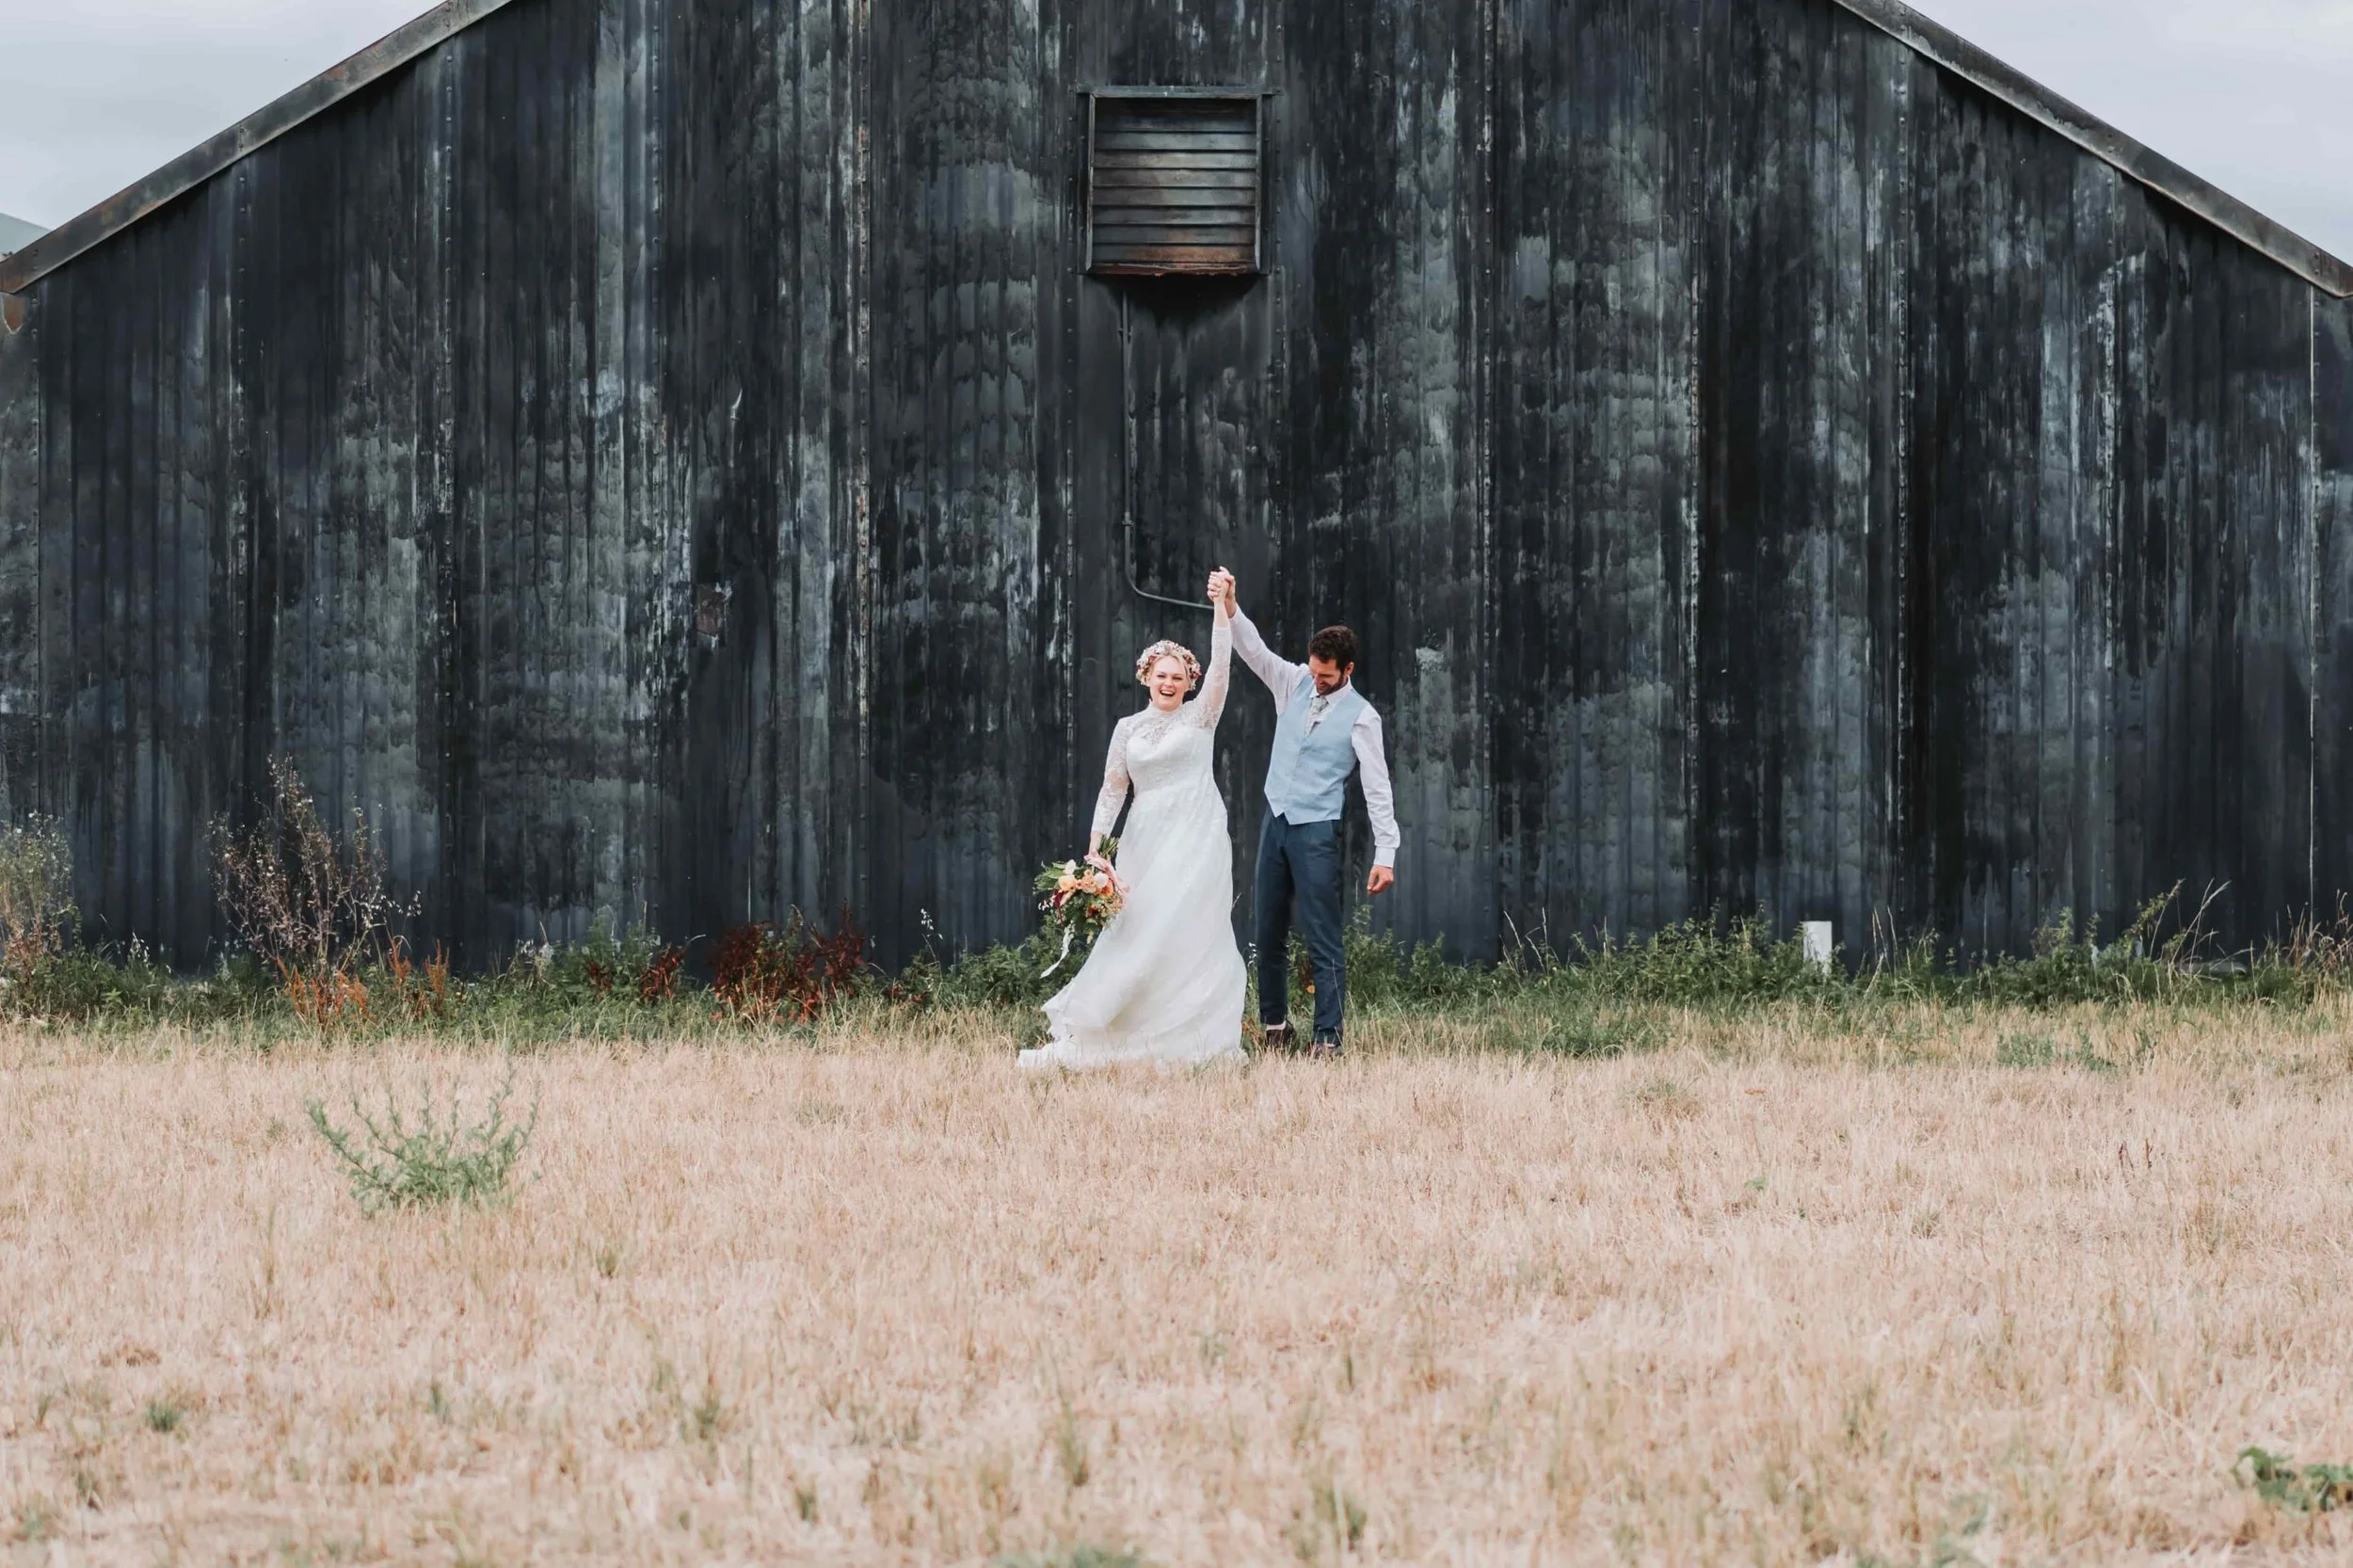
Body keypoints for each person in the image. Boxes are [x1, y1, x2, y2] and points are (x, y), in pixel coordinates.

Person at [1018, 580, 1248, 1070]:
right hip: (1145, 837)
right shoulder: (1128, 729)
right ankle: (1120, 1027)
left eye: (1179, 677)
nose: (1169, 683)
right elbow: (1112, 789)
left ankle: (1195, 1037)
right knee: (1140, 929)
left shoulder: (1202, 717)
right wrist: (1096, 848)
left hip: (1197, 832)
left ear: (1190, 682)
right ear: (1146, 677)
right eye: (1161, 675)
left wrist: (1219, 608)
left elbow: (1224, 663)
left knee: (1188, 927)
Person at [1209, 568, 1399, 1057]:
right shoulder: (1293, 682)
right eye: (1314, 671)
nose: (1317, 680)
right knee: (1265, 928)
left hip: (1316, 830)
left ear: (1348, 670)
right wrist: (1231, 604)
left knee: (1322, 934)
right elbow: (1253, 650)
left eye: (1326, 675)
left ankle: (1328, 1038)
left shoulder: (1363, 717)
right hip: (1276, 822)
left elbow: (1378, 789)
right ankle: (1275, 1026)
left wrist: (1387, 852)